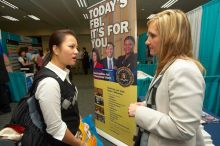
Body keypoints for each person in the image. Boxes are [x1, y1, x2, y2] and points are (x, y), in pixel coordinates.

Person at [128, 9, 205, 146]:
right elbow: (165, 102)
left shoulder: (184, 70)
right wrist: (147, 105)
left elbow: (183, 129)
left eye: (152, 36)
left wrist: (140, 112)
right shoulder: (169, 65)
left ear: (171, 38)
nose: (146, 42)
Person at [35, 29, 84, 146]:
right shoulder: (49, 83)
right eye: (71, 47)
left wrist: (79, 123)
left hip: (71, 135)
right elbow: (56, 129)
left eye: (76, 47)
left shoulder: (64, 73)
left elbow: (69, 104)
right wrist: (79, 143)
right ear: (56, 49)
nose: (76, 51)